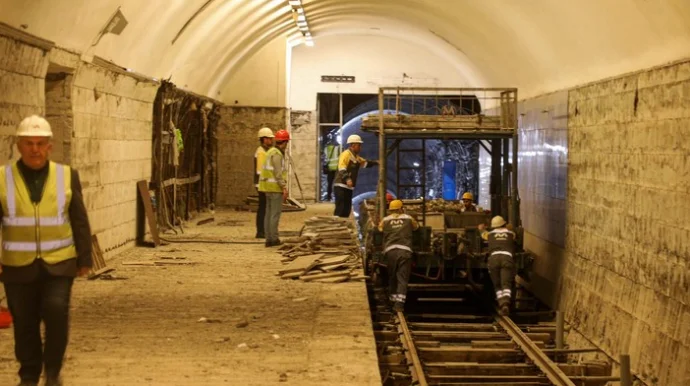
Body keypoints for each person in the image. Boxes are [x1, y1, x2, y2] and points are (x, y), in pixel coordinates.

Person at [0, 115, 93, 386]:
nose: (35, 149)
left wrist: (84, 257)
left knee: (56, 311)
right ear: (18, 145)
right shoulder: (3, 178)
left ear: (50, 146)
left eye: (40, 143)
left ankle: (52, 371)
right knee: (24, 322)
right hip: (17, 265)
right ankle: (29, 374)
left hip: (59, 262)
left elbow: (79, 219)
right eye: (29, 143)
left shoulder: (66, 175)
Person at [378, 200, 419, 313]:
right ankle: (399, 305)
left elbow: (380, 229)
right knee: (402, 278)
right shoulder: (408, 218)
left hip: (390, 251)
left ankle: (392, 300)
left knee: (392, 276)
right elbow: (416, 228)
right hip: (404, 251)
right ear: (401, 208)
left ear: (390, 210)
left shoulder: (385, 220)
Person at [478, 216, 516, 316]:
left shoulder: (490, 234)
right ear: (504, 224)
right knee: (506, 284)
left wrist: (481, 229)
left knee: (497, 284)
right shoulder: (510, 234)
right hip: (507, 258)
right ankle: (506, 303)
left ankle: (501, 303)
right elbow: (514, 235)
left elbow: (483, 234)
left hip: (494, 259)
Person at [333, 134, 378, 218]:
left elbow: (365, 163)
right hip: (341, 185)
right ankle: (337, 224)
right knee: (341, 208)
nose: (360, 147)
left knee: (346, 208)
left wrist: (376, 162)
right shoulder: (346, 154)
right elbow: (341, 168)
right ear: (353, 145)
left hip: (348, 187)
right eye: (359, 145)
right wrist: (347, 179)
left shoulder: (356, 157)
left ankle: (343, 225)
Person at [258, 129, 290, 247]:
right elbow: (278, 173)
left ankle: (268, 238)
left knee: (268, 214)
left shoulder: (270, 151)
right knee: (274, 214)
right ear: (285, 142)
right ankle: (273, 239)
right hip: (275, 188)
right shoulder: (277, 154)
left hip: (267, 187)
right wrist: (284, 187)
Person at [254, 127, 274, 238]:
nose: (271, 141)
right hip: (262, 184)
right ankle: (261, 231)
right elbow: (261, 171)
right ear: (264, 139)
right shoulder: (261, 152)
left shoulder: (265, 151)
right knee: (263, 208)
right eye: (269, 139)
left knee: (264, 207)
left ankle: (263, 230)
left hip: (263, 184)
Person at [323, 137, 340, 201]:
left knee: (329, 184)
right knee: (336, 184)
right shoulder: (338, 148)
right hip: (336, 169)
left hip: (330, 169)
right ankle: (336, 197)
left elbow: (324, 158)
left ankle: (329, 197)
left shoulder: (326, 148)